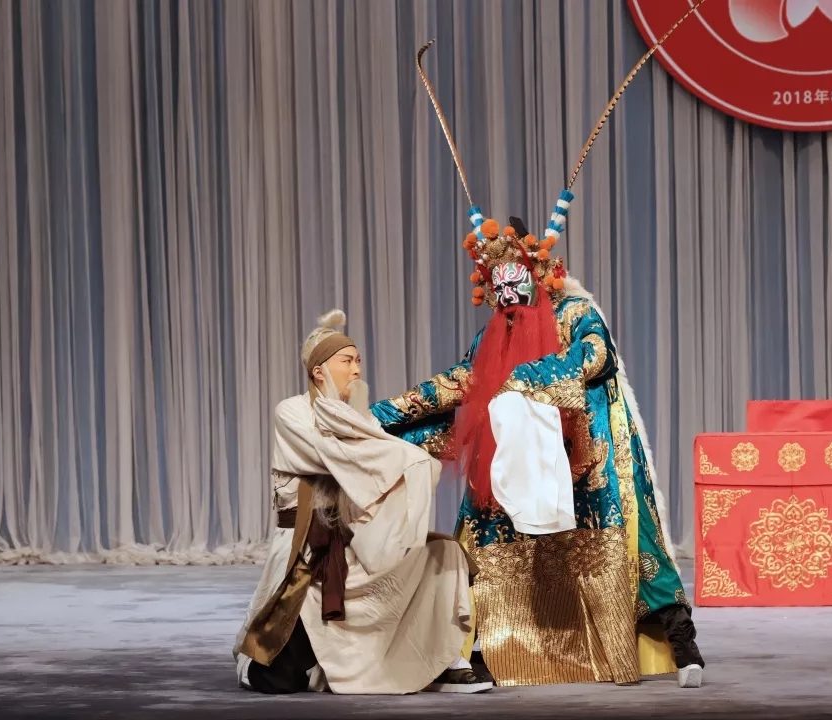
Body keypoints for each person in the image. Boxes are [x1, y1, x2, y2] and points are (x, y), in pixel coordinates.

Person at [368, 15, 705, 690]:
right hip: (511, 453)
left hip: (587, 449)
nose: (508, 292)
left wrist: (530, 378)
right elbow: (461, 381)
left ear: (538, 272)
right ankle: (481, 652)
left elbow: (594, 358)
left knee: (638, 542)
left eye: (516, 278)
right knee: (480, 537)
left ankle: (682, 642)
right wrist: (383, 414)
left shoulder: (575, 313)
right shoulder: (494, 333)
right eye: (497, 283)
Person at [233, 310, 491, 694]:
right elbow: (342, 457)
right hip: (306, 550)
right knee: (276, 678)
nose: (356, 369)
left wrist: (409, 463)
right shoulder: (292, 412)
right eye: (347, 361)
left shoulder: (361, 418)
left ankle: (443, 659)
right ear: (319, 371)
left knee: (444, 555)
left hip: (358, 540)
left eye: (358, 361)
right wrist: (410, 459)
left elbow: (376, 460)